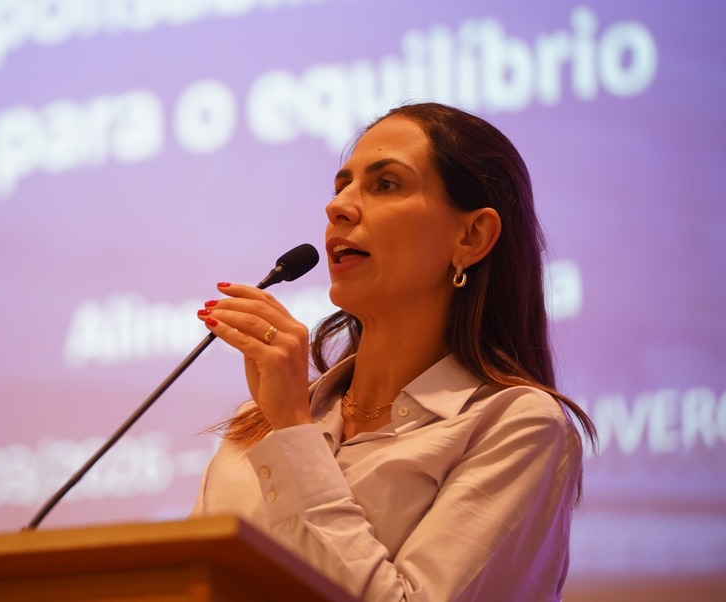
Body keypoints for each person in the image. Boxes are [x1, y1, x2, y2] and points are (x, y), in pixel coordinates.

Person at [190, 102, 595, 601]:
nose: (338, 208)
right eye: (341, 186)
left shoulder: (517, 426)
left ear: (472, 236)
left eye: (385, 184)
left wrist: (294, 430)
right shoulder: (256, 428)